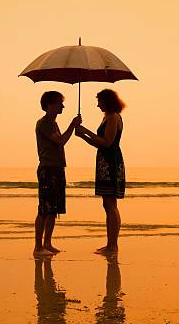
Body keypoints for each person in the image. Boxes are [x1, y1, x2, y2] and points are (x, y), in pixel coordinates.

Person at [75, 89, 126, 254]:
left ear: (107, 101)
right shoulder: (107, 117)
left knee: (110, 205)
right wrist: (82, 136)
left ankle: (112, 245)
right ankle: (111, 244)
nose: (97, 105)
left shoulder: (113, 117)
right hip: (105, 161)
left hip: (110, 163)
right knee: (108, 204)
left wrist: (86, 131)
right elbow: (100, 144)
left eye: (99, 101)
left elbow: (107, 142)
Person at [34, 91, 81, 257]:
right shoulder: (45, 123)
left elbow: (60, 140)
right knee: (44, 209)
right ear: (49, 104)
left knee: (53, 209)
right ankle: (38, 246)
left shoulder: (52, 123)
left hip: (57, 168)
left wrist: (72, 127)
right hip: (48, 169)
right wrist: (72, 125)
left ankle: (47, 243)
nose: (62, 106)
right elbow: (60, 141)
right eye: (59, 103)